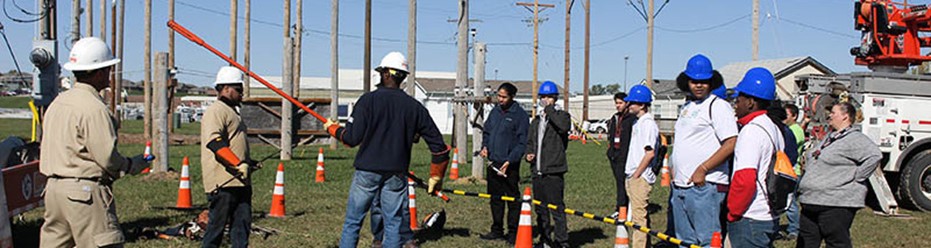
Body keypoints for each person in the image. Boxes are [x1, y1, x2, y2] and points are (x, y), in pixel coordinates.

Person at [329, 52, 450, 248]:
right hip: (396, 172)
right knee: (394, 224)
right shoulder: (414, 107)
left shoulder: (367, 101)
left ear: (386, 74)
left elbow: (351, 138)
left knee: (353, 221)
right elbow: (439, 148)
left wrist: (333, 129)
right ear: (402, 77)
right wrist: (436, 177)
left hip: (367, 171)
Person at [39, 37, 151, 248]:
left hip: (54, 191)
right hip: (84, 194)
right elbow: (107, 157)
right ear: (99, 72)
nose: (110, 74)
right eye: (108, 69)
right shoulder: (94, 108)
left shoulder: (58, 102)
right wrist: (131, 165)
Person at [669, 54, 738, 246]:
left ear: (711, 82)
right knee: (684, 241)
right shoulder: (687, 107)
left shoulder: (718, 106)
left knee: (707, 241)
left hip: (704, 186)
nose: (699, 85)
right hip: (681, 185)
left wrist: (703, 169)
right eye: (694, 81)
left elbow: (731, 142)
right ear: (687, 82)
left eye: (704, 81)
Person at [796, 103, 881, 248]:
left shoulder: (855, 139)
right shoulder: (830, 137)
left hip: (836, 202)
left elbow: (874, 155)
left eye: (833, 112)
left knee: (836, 242)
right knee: (806, 241)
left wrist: (857, 176)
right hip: (812, 200)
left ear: (845, 116)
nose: (830, 115)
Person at [725, 68, 785, 247]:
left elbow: (745, 180)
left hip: (750, 216)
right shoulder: (773, 128)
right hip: (768, 213)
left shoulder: (751, 131)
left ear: (751, 102)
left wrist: (733, 213)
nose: (736, 103)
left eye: (739, 99)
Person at [201, 66, 255, 248]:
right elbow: (214, 142)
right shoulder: (216, 111)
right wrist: (238, 163)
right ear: (225, 89)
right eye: (238, 90)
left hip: (240, 181)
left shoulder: (232, 111)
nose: (242, 94)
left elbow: (232, 143)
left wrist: (247, 163)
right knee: (215, 231)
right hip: (223, 183)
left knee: (241, 229)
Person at [479, 82, 529, 244]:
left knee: (512, 199)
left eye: (503, 96)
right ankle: (497, 229)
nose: (500, 99)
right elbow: (486, 132)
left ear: (512, 97)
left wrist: (509, 160)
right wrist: (485, 147)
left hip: (509, 165)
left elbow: (522, 143)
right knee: (495, 198)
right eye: (498, 96)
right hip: (493, 163)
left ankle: (513, 232)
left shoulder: (519, 115)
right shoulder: (495, 112)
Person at [525, 81, 572, 248]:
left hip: (553, 170)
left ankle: (562, 241)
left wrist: (550, 110)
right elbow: (530, 142)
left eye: (549, 97)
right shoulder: (536, 121)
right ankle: (544, 239)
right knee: (541, 209)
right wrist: (528, 154)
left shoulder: (562, 116)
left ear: (555, 99)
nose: (545, 100)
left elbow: (564, 127)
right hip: (537, 171)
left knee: (556, 208)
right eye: (543, 97)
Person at [623, 85, 660, 248]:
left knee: (638, 218)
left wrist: (637, 174)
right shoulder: (638, 123)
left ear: (642, 105)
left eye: (632, 103)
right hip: (633, 174)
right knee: (640, 215)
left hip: (640, 176)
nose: (629, 105)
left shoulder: (648, 124)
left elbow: (649, 153)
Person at [605, 92, 636, 219]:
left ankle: (625, 208)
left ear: (627, 103)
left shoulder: (632, 119)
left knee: (625, 184)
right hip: (614, 155)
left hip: (626, 156)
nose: (618, 106)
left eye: (620, 103)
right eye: (616, 103)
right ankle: (621, 207)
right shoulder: (615, 118)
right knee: (619, 183)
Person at [783, 104, 806, 240]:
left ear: (794, 116)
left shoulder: (795, 130)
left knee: (790, 202)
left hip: (793, 171)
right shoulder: (789, 129)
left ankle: (794, 229)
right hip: (788, 170)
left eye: (786, 115)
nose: (784, 118)